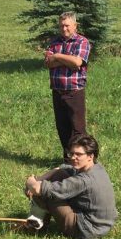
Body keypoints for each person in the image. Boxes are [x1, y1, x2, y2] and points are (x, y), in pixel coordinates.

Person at [23, 134, 117, 239]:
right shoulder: (97, 168)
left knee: (46, 194)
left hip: (86, 230)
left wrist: (30, 181)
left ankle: (34, 225)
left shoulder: (83, 180)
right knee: (59, 174)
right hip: (102, 226)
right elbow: (63, 168)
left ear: (90, 156)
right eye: (71, 153)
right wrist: (41, 178)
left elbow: (38, 189)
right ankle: (38, 220)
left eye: (78, 154)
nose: (73, 157)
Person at [44, 12, 91, 157]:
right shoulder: (55, 42)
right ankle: (68, 159)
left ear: (75, 26)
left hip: (74, 91)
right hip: (58, 91)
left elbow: (77, 62)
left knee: (78, 129)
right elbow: (47, 63)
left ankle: (83, 160)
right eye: (61, 26)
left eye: (67, 26)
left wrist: (57, 56)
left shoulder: (82, 42)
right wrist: (68, 61)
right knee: (62, 127)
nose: (64, 29)